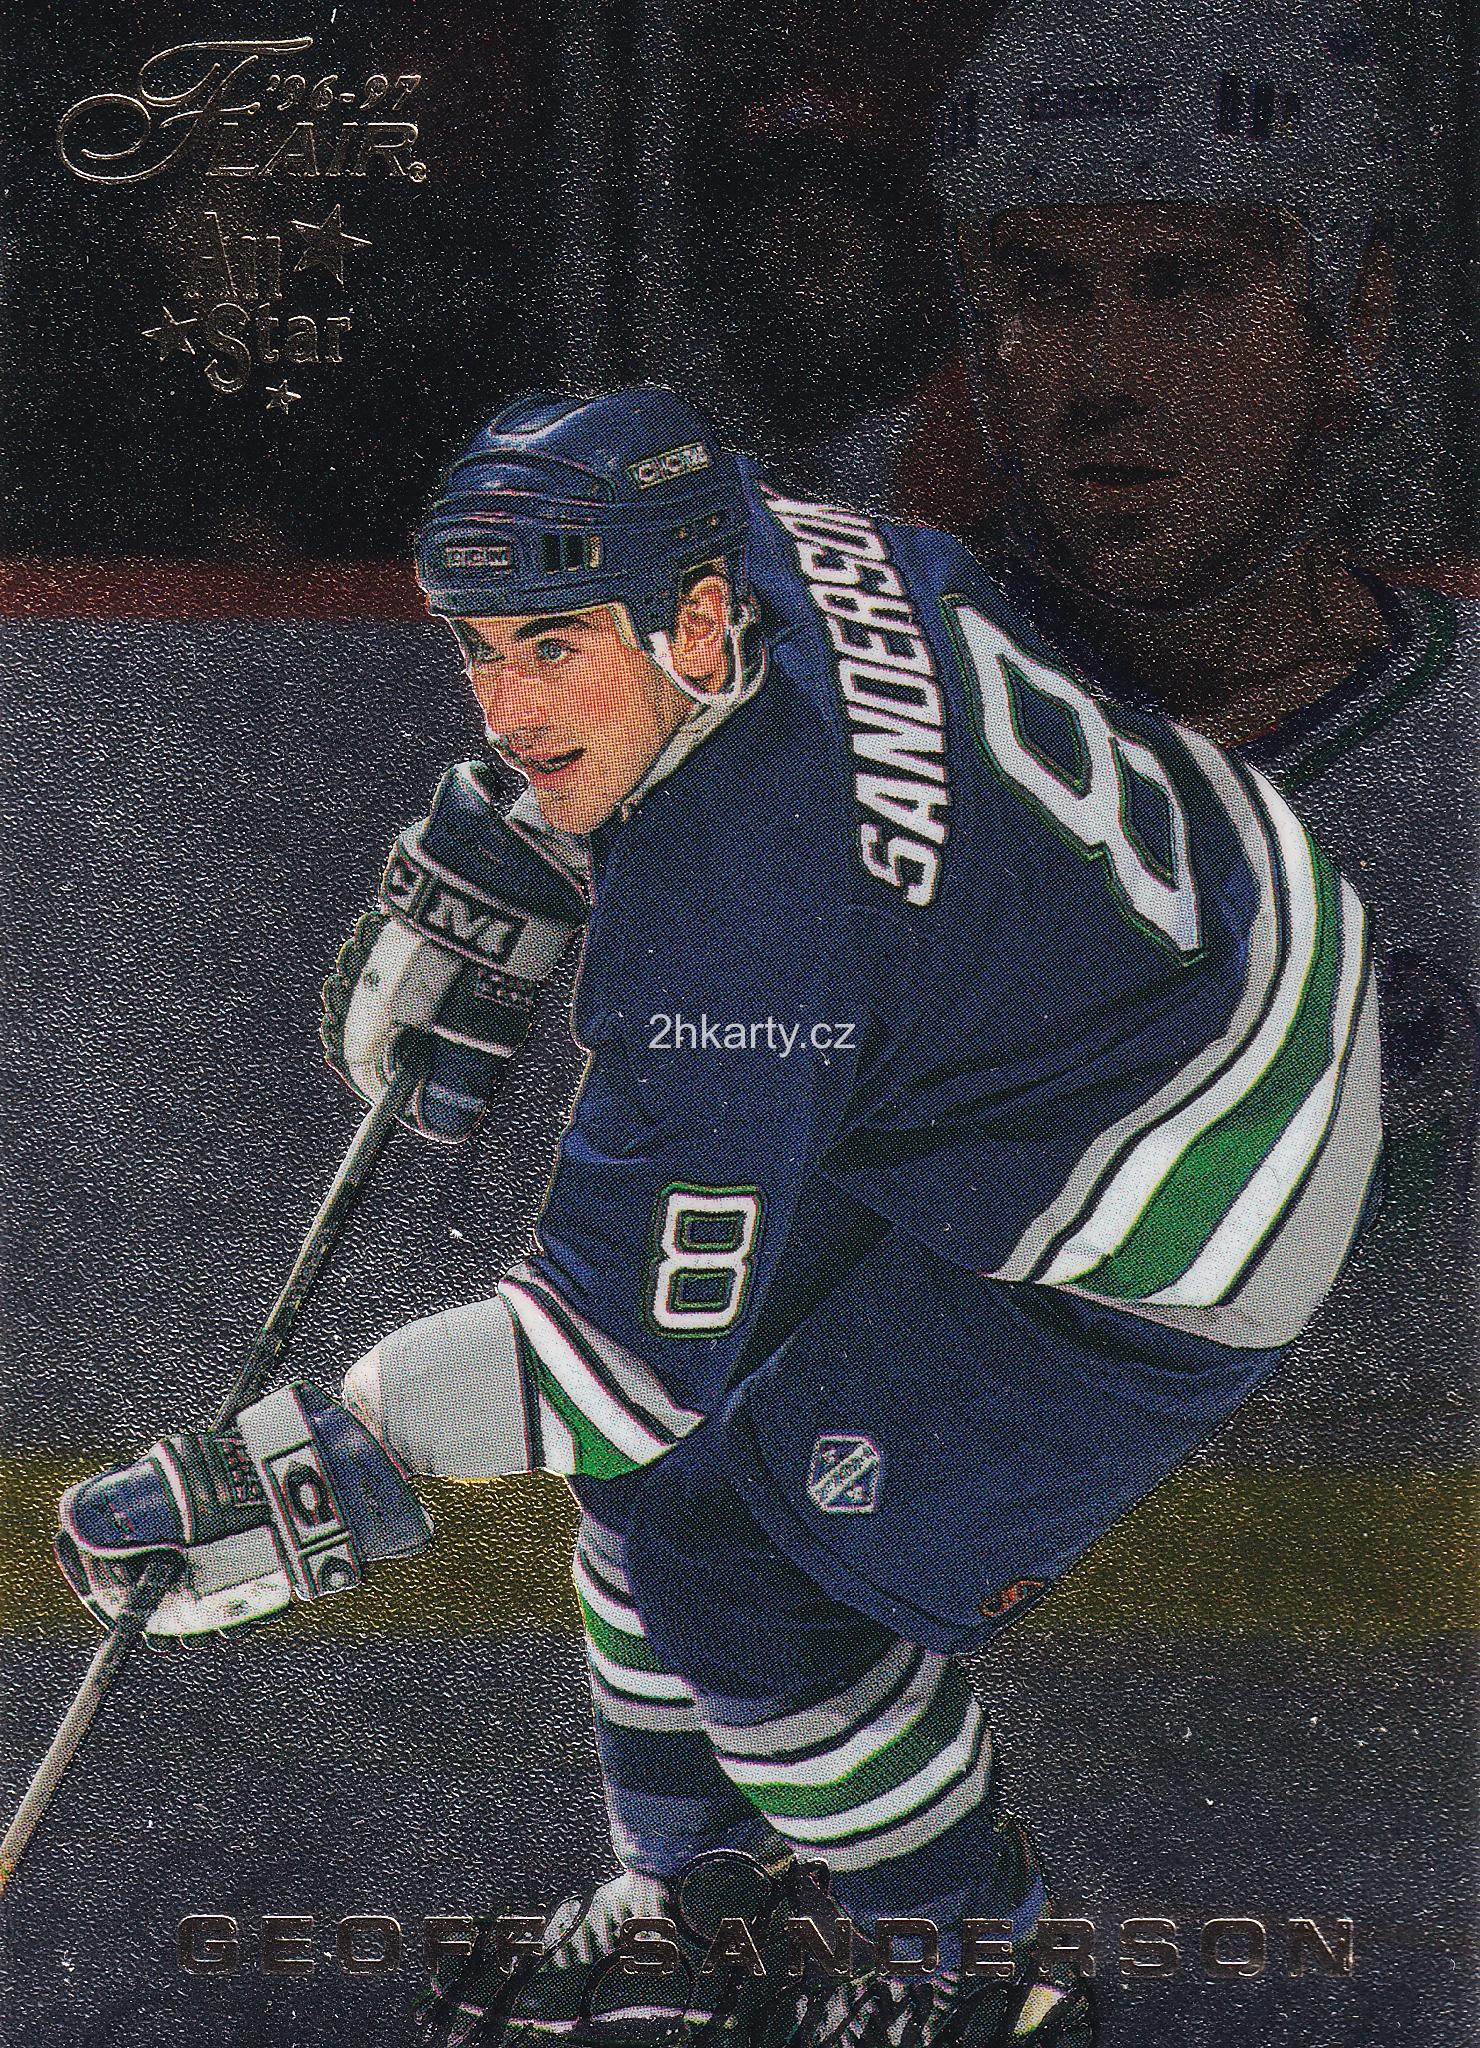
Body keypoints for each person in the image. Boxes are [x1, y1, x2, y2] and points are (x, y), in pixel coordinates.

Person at [53, 388, 1383, 2047]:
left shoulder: (741, 935)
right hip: (1146, 946)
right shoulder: (738, 534)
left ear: (692, 623)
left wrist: (317, 1466)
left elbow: (609, 1364)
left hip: (1204, 1163)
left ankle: (984, 1981)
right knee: (656, 1492)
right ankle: (702, 1911)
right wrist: (541, 825)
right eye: (486, 649)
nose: (510, 706)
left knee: (752, 1585)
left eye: (556, 650)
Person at [922, 0, 1478, 1421]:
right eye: (1046, 290)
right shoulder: (846, 729)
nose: (1109, 378)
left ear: (1356, 315)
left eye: (1189, 286)